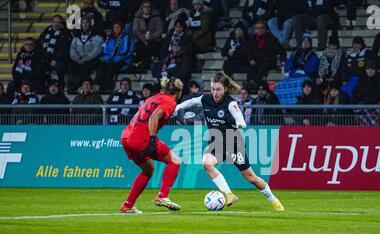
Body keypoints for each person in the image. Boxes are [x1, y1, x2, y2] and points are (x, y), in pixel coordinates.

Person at [174, 72, 285, 211]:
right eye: (213, 89)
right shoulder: (206, 99)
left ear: (225, 88)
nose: (215, 92)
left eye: (218, 89)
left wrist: (235, 122)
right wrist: (176, 108)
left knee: (251, 178)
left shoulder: (231, 103)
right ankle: (229, 195)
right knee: (207, 163)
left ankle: (273, 199)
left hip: (233, 143)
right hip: (216, 142)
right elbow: (191, 102)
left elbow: (242, 122)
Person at [120, 77, 185, 213]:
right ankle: (163, 196)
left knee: (148, 170)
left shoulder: (155, 97)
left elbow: (140, 113)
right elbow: (154, 117)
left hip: (126, 135)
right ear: (178, 91)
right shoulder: (170, 101)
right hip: (141, 137)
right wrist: (151, 139)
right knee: (175, 161)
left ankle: (128, 205)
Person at [94, 21, 135, 91]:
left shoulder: (126, 37)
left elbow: (128, 51)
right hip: (111, 60)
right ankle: (96, 85)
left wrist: (115, 59)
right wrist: (108, 59)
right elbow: (105, 50)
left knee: (112, 68)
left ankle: (103, 87)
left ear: (121, 28)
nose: (116, 29)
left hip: (123, 60)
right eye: (115, 27)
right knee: (102, 66)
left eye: (118, 27)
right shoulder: (109, 38)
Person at [68, 16, 104, 93]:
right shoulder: (76, 36)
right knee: (71, 65)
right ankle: (73, 86)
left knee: (84, 68)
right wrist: (77, 58)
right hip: (79, 59)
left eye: (87, 22)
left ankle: (78, 86)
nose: (85, 25)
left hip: (92, 60)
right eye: (83, 23)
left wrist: (85, 59)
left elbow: (96, 51)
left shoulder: (97, 36)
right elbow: (72, 49)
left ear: (91, 24)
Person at [246, 20, 286, 89]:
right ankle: (250, 84)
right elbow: (248, 52)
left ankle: (255, 85)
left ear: (265, 29)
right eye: (257, 28)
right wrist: (251, 59)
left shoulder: (272, 38)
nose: (260, 30)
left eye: (262, 28)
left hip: (269, 60)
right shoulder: (252, 39)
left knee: (263, 67)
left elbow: (281, 50)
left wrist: (282, 61)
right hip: (257, 60)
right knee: (250, 67)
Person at [38, 14, 72, 89]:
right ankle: (41, 87)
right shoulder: (45, 32)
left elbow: (64, 49)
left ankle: (62, 87)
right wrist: (46, 59)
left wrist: (55, 59)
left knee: (60, 66)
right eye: (55, 22)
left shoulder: (65, 33)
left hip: (59, 59)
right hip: (45, 58)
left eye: (59, 22)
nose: (56, 24)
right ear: (52, 22)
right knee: (37, 65)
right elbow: (39, 45)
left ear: (62, 23)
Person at [133, 0, 163, 69]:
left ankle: (149, 63)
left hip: (153, 38)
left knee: (153, 44)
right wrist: (144, 39)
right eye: (145, 7)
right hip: (141, 38)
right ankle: (142, 64)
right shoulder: (137, 16)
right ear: (142, 8)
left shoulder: (156, 17)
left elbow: (160, 30)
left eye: (149, 7)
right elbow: (135, 30)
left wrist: (151, 37)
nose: (147, 8)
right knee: (141, 45)